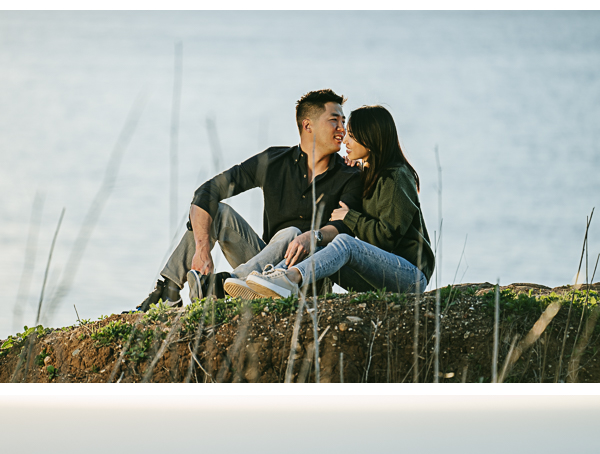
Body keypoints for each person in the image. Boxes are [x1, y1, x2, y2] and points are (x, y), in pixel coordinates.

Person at [135, 89, 363, 311]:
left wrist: (311, 237)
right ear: (308, 125)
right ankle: (168, 293)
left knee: (292, 233)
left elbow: (344, 226)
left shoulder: (350, 175)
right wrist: (202, 248)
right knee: (219, 213)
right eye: (335, 121)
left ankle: (223, 286)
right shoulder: (274, 161)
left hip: (309, 277)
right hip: (261, 274)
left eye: (344, 122)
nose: (342, 129)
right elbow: (207, 192)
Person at [244, 105, 434, 300]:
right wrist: (355, 169)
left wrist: (350, 217)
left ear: (370, 138)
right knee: (318, 247)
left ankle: (290, 278)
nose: (345, 140)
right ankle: (272, 279)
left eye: (352, 135)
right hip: (379, 277)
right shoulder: (369, 176)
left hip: (410, 276)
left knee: (344, 242)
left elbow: (386, 238)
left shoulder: (396, 177)